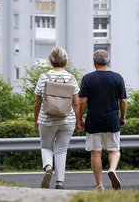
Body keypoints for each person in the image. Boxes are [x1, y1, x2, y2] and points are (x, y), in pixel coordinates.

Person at [77, 49, 127, 190]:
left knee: (95, 152)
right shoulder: (118, 77)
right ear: (108, 61)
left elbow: (82, 102)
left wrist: (79, 119)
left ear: (94, 62)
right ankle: (112, 169)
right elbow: (123, 101)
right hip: (112, 120)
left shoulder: (88, 78)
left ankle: (99, 185)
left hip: (93, 120)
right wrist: (122, 117)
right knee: (114, 150)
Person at [34, 46, 81, 190]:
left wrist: (36, 119)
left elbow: (37, 102)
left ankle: (48, 167)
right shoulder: (71, 78)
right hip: (67, 120)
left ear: (50, 60)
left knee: (46, 146)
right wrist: (78, 121)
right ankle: (59, 182)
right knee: (61, 150)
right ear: (65, 61)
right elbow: (76, 103)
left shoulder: (44, 77)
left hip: (46, 119)